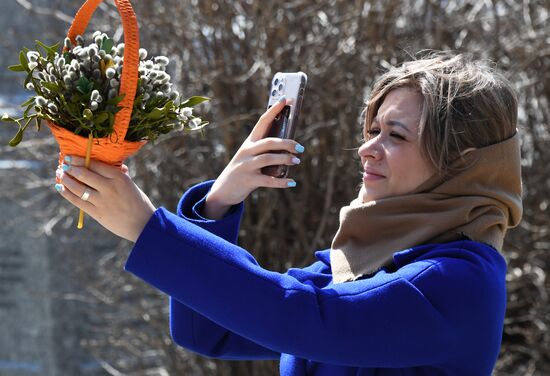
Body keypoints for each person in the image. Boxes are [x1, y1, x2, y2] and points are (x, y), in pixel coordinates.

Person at [54, 51, 522, 375]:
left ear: (462, 160)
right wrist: (220, 201)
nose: (367, 149)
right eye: (372, 129)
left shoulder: (455, 283)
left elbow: (303, 317)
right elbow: (207, 331)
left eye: (395, 136)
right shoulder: (359, 262)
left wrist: (145, 226)